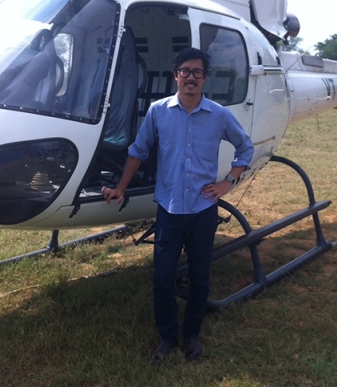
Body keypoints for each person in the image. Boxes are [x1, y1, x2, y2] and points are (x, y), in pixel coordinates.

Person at [102, 47, 254, 363]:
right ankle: (168, 337)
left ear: (204, 78)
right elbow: (139, 150)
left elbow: (245, 147)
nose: (191, 78)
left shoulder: (219, 115)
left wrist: (228, 182)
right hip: (169, 210)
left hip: (202, 210)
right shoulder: (159, 112)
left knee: (199, 276)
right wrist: (121, 187)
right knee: (162, 278)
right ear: (175, 75)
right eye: (185, 71)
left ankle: (193, 335)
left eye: (197, 72)